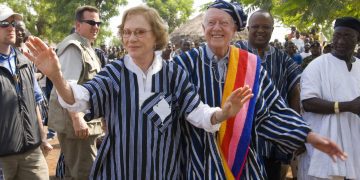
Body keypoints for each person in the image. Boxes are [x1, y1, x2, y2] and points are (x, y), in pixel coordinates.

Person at [24, 5, 254, 179]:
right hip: (119, 170)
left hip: (165, 171)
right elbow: (80, 99)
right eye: (127, 32)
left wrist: (223, 114)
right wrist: (56, 76)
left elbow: (198, 113)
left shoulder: (173, 74)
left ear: (156, 36)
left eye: (140, 32)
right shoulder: (115, 72)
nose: (131, 39)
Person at [173, 1, 346, 179]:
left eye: (224, 23)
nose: (216, 28)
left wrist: (308, 136)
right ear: (203, 28)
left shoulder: (250, 65)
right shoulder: (182, 65)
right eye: (211, 23)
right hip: (198, 161)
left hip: (243, 164)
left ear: (234, 29)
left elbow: (270, 112)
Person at [235, 10, 302, 180]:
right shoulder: (235, 53)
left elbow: (295, 91)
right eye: (256, 26)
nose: (260, 30)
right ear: (248, 28)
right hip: (240, 134)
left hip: (273, 138)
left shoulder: (283, 59)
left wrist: (293, 128)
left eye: (266, 27)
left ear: (272, 30)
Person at [298, 17, 360, 180]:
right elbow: (308, 102)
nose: (340, 41)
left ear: (357, 39)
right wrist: (348, 106)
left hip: (355, 145)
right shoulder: (317, 65)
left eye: (347, 36)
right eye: (337, 35)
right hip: (324, 147)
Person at [47, 5, 103, 179]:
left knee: (76, 172)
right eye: (91, 22)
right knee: (84, 173)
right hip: (77, 125)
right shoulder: (74, 47)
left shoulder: (86, 46)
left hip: (86, 124)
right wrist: (77, 118)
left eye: (98, 23)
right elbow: (65, 85)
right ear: (78, 25)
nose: (96, 26)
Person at [0, 4, 50, 180]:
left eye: (13, 23)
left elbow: (35, 100)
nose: (11, 28)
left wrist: (43, 137)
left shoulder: (25, 61)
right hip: (3, 159)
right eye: (4, 23)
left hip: (32, 152)